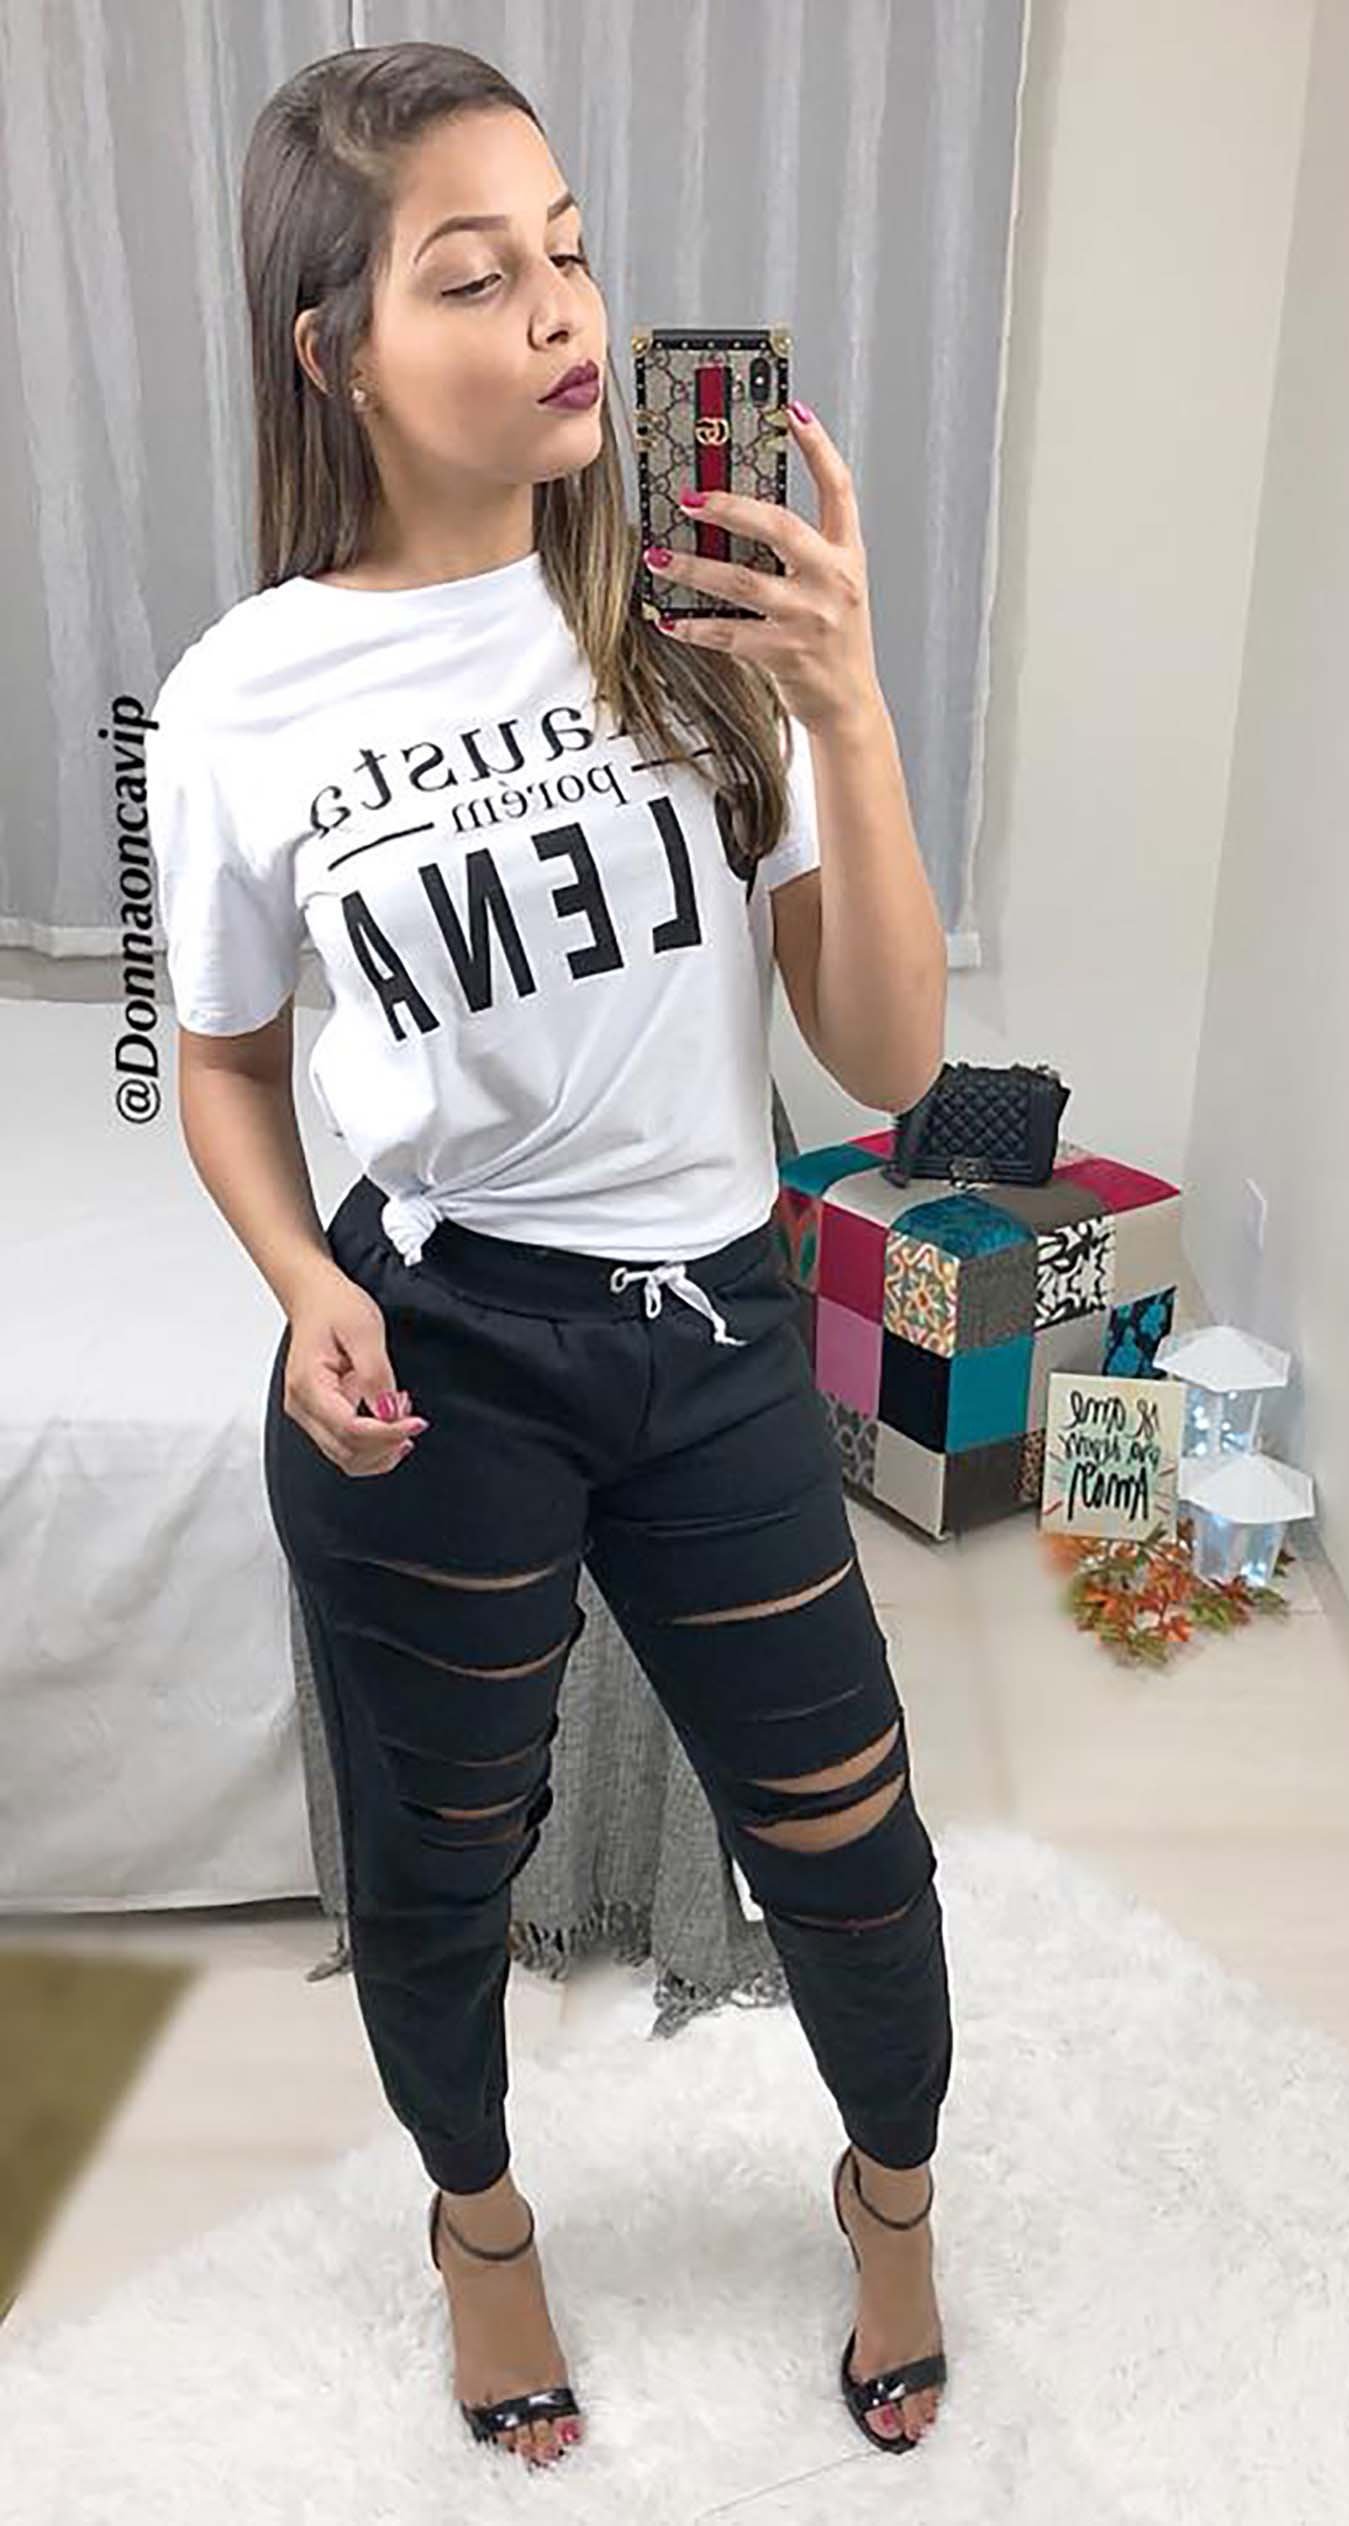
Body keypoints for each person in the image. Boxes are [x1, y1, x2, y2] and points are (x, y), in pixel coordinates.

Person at [145, 39, 953, 2474]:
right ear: (336, 352)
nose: (564, 315)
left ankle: (891, 2198)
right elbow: (223, 1063)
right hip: (441, 1353)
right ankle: (480, 2230)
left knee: (851, 1838)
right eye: (477, 275)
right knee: (437, 1859)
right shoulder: (243, 702)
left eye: (573, 253)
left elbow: (887, 1055)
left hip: (713, 1334)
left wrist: (852, 711)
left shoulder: (691, 604)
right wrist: (303, 1286)